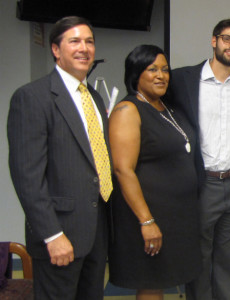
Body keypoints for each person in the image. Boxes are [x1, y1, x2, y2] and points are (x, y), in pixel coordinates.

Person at [7, 16, 112, 300]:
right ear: (56, 49)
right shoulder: (32, 97)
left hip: (95, 232)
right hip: (60, 235)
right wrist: (52, 235)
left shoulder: (94, 97)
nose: (84, 48)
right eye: (74, 41)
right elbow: (27, 177)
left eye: (89, 41)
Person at [108, 44, 202, 300]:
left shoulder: (166, 107)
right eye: (152, 69)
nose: (161, 75)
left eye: (165, 69)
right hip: (149, 214)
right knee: (150, 281)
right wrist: (147, 221)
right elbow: (122, 169)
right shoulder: (127, 111)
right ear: (136, 73)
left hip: (176, 214)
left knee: (162, 278)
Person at [172, 17, 230, 300]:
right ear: (214, 40)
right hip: (202, 183)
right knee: (199, 260)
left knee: (229, 263)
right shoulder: (184, 80)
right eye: (227, 39)